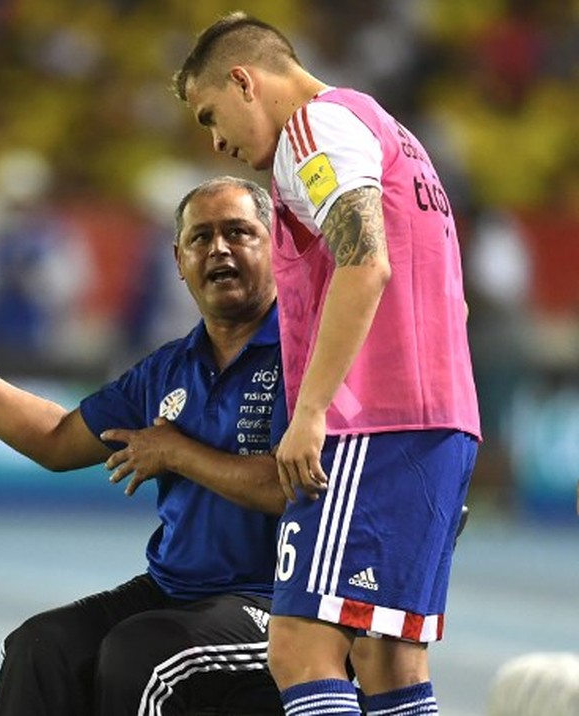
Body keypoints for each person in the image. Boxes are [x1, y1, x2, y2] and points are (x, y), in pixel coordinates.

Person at [0, 176, 289, 716]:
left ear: (276, 245)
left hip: (277, 601)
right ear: (179, 260)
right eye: (200, 238)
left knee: (143, 654)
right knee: (41, 646)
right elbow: (56, 439)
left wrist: (175, 452)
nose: (218, 248)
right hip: (177, 592)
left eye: (238, 232)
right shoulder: (168, 368)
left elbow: (289, 487)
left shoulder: (304, 354)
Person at [173, 13, 481, 716]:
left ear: (245, 81)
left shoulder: (314, 131)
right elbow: (447, 301)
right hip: (437, 420)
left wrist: (310, 411)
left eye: (211, 115)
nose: (216, 142)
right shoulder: (388, 132)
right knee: (387, 656)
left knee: (300, 646)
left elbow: (364, 261)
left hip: (374, 426)